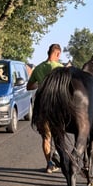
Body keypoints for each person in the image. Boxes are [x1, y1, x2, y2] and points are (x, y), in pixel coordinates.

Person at [28, 43, 63, 172]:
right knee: (59, 135)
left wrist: (40, 85)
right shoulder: (60, 68)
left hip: (42, 108)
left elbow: (29, 87)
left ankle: (49, 164)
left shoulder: (38, 69)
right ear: (57, 53)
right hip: (57, 108)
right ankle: (59, 157)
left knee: (46, 138)